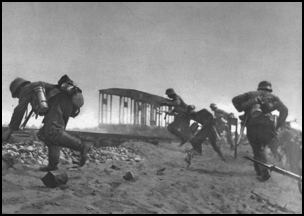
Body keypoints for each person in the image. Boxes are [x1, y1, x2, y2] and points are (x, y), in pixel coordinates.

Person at [2, 75, 91, 171]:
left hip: (58, 102)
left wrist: (10, 129)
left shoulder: (26, 89)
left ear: (19, 89)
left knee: (53, 132)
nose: (19, 97)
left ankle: (82, 146)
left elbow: (19, 109)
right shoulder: (34, 87)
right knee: (44, 134)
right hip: (65, 105)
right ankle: (53, 165)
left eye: (17, 95)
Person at [232, 81, 288, 181]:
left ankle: (264, 173)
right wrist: (278, 125)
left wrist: (244, 106)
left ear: (259, 88)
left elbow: (235, 100)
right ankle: (285, 164)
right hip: (268, 126)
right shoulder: (274, 97)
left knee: (258, 150)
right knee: (274, 145)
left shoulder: (250, 94)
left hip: (253, 125)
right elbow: (284, 110)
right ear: (269, 89)